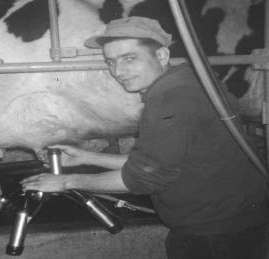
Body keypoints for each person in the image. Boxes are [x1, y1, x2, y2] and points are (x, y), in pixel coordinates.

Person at [21, 16, 269, 259]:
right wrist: (87, 156)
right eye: (110, 61)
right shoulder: (190, 84)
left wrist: (66, 182)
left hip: (213, 236)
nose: (118, 71)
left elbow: (141, 179)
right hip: (235, 221)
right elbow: (159, 162)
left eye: (129, 59)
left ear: (161, 56)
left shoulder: (170, 101)